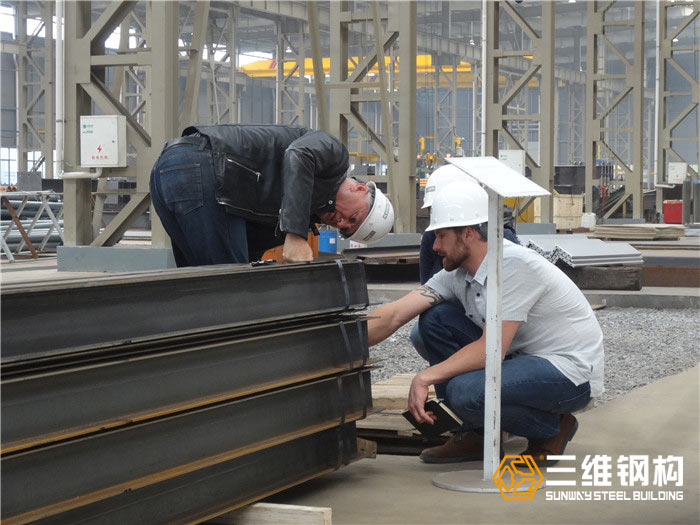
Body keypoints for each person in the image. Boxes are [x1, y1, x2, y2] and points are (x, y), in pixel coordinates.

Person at [368, 179, 604, 466]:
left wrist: (425, 377)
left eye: (441, 236)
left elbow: (491, 349)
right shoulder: (458, 272)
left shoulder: (513, 266)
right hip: (522, 359)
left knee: (465, 392)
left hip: (568, 372)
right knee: (433, 321)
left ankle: (553, 427)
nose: (435, 247)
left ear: (468, 234)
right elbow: (395, 313)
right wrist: (340, 340)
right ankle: (474, 434)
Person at [150, 124, 394, 266]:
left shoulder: (302, 210)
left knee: (196, 280)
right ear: (360, 189)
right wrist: (296, 235)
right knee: (226, 288)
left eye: (345, 230)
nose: (341, 222)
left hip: (168, 171)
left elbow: (246, 249)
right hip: (205, 166)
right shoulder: (334, 155)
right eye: (353, 218)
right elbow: (299, 154)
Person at [411, 165, 520, 360]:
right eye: (432, 210)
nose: (437, 245)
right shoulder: (431, 239)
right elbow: (426, 291)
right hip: (456, 315)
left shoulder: (503, 240)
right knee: (424, 328)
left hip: (497, 326)